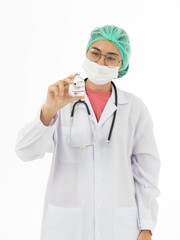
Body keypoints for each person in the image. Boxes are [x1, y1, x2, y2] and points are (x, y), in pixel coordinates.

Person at [15, 25, 161, 240]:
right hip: (67, 227)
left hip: (119, 227)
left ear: (122, 64)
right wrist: (48, 111)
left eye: (111, 58)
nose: (101, 62)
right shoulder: (61, 100)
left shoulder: (135, 109)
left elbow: (146, 175)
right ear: (86, 53)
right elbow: (24, 152)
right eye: (95, 53)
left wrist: (147, 227)